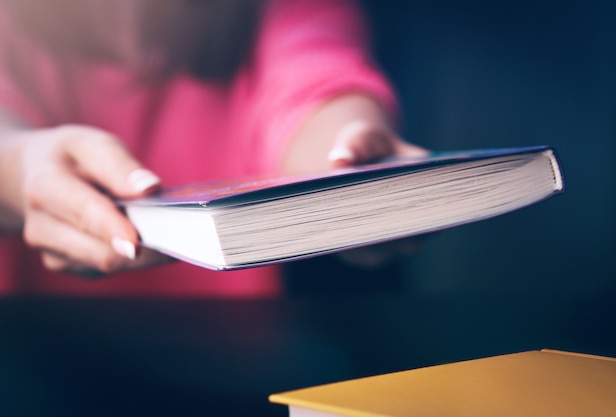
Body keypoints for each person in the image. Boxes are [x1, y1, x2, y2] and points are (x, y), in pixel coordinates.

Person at [0, 0, 425, 297]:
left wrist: (351, 164)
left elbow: (317, 81)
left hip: (249, 360)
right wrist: (25, 169)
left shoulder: (282, 8)